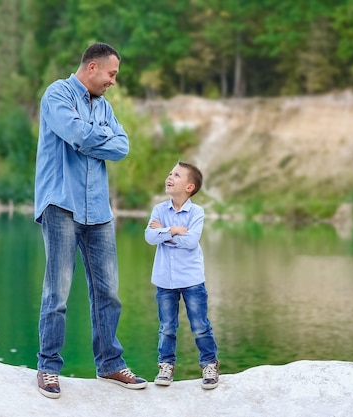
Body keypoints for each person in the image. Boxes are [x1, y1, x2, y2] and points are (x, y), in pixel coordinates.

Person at [34, 42, 147, 399]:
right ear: (93, 67)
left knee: (109, 292)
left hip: (98, 210)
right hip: (61, 203)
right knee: (58, 292)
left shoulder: (105, 107)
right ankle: (49, 367)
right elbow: (77, 134)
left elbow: (123, 146)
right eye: (112, 74)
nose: (114, 81)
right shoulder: (57, 94)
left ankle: (110, 364)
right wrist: (90, 137)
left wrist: (86, 138)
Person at [144, 161, 220, 389]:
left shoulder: (196, 212)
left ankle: (209, 364)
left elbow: (191, 241)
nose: (169, 177)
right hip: (164, 280)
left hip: (191, 280)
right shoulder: (159, 210)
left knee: (200, 325)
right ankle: (165, 366)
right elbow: (149, 237)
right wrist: (174, 230)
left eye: (176, 175)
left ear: (189, 187)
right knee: (167, 327)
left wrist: (163, 233)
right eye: (170, 173)